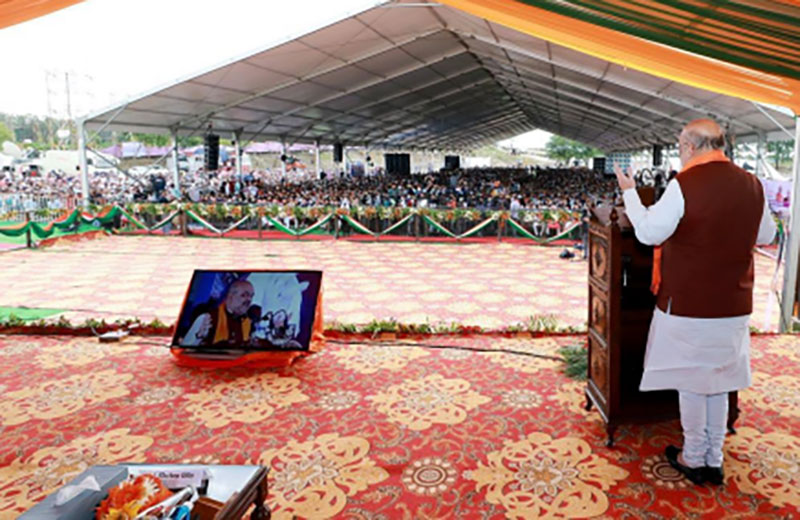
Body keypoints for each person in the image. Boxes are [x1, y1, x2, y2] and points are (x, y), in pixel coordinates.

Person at [614, 118, 775, 486]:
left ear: (689, 146)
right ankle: (713, 458)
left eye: (680, 147)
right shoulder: (753, 183)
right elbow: (765, 234)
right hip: (733, 304)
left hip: (688, 304)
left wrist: (630, 193)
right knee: (719, 380)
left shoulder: (685, 184)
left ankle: (693, 454)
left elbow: (649, 232)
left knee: (692, 382)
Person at [183, 279, 256, 347]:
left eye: (251, 296)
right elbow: (185, 347)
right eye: (244, 295)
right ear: (230, 296)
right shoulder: (208, 318)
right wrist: (199, 337)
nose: (249, 300)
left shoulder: (246, 323)